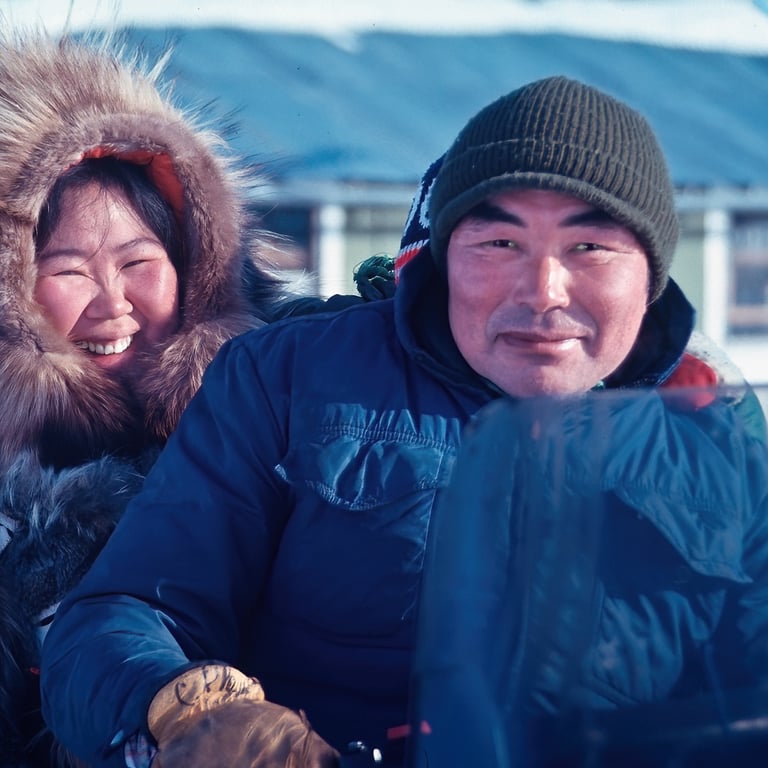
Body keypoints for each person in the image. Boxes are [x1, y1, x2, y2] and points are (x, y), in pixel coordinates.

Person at [40, 75, 768, 768]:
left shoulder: (710, 433)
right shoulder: (292, 380)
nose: (544, 291)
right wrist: (191, 712)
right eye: (500, 244)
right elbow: (122, 614)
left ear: (651, 273)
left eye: (590, 247)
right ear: (444, 257)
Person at [0, 29, 374, 768]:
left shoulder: (281, 403)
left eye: (140, 261)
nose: (113, 303)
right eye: (67, 269)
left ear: (198, 265)